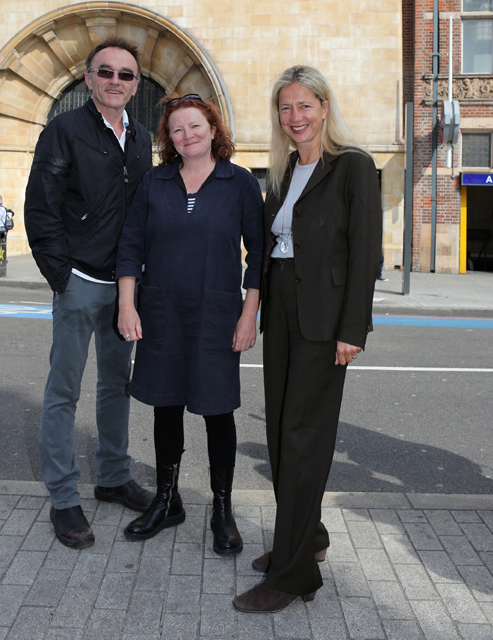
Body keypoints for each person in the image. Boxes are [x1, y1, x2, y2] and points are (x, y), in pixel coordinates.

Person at [233, 66, 382, 613]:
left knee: (303, 440)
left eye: (304, 106)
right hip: (285, 315)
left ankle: (294, 574)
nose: (295, 118)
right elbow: (271, 249)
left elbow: (366, 253)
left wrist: (352, 329)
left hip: (326, 322)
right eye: (285, 109)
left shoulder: (353, 167)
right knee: (279, 434)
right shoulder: (283, 170)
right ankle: (308, 537)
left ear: (324, 107)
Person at [115, 95, 263, 555]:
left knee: (218, 412)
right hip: (161, 311)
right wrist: (127, 305)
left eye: (195, 126)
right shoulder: (154, 182)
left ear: (214, 129)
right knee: (165, 406)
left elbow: (258, 255)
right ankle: (167, 500)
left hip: (217, 315)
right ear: (168, 138)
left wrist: (248, 315)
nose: (187, 136)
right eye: (177, 130)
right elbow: (130, 246)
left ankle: (222, 509)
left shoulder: (238, 182)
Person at [24, 37, 154, 550]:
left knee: (116, 386)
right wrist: (63, 279)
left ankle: (114, 475)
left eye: (125, 75)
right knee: (64, 392)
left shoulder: (142, 136)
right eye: (106, 73)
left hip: (125, 287)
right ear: (88, 79)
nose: (115, 81)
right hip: (79, 281)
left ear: (136, 84)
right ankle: (62, 496)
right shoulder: (65, 130)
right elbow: (41, 209)